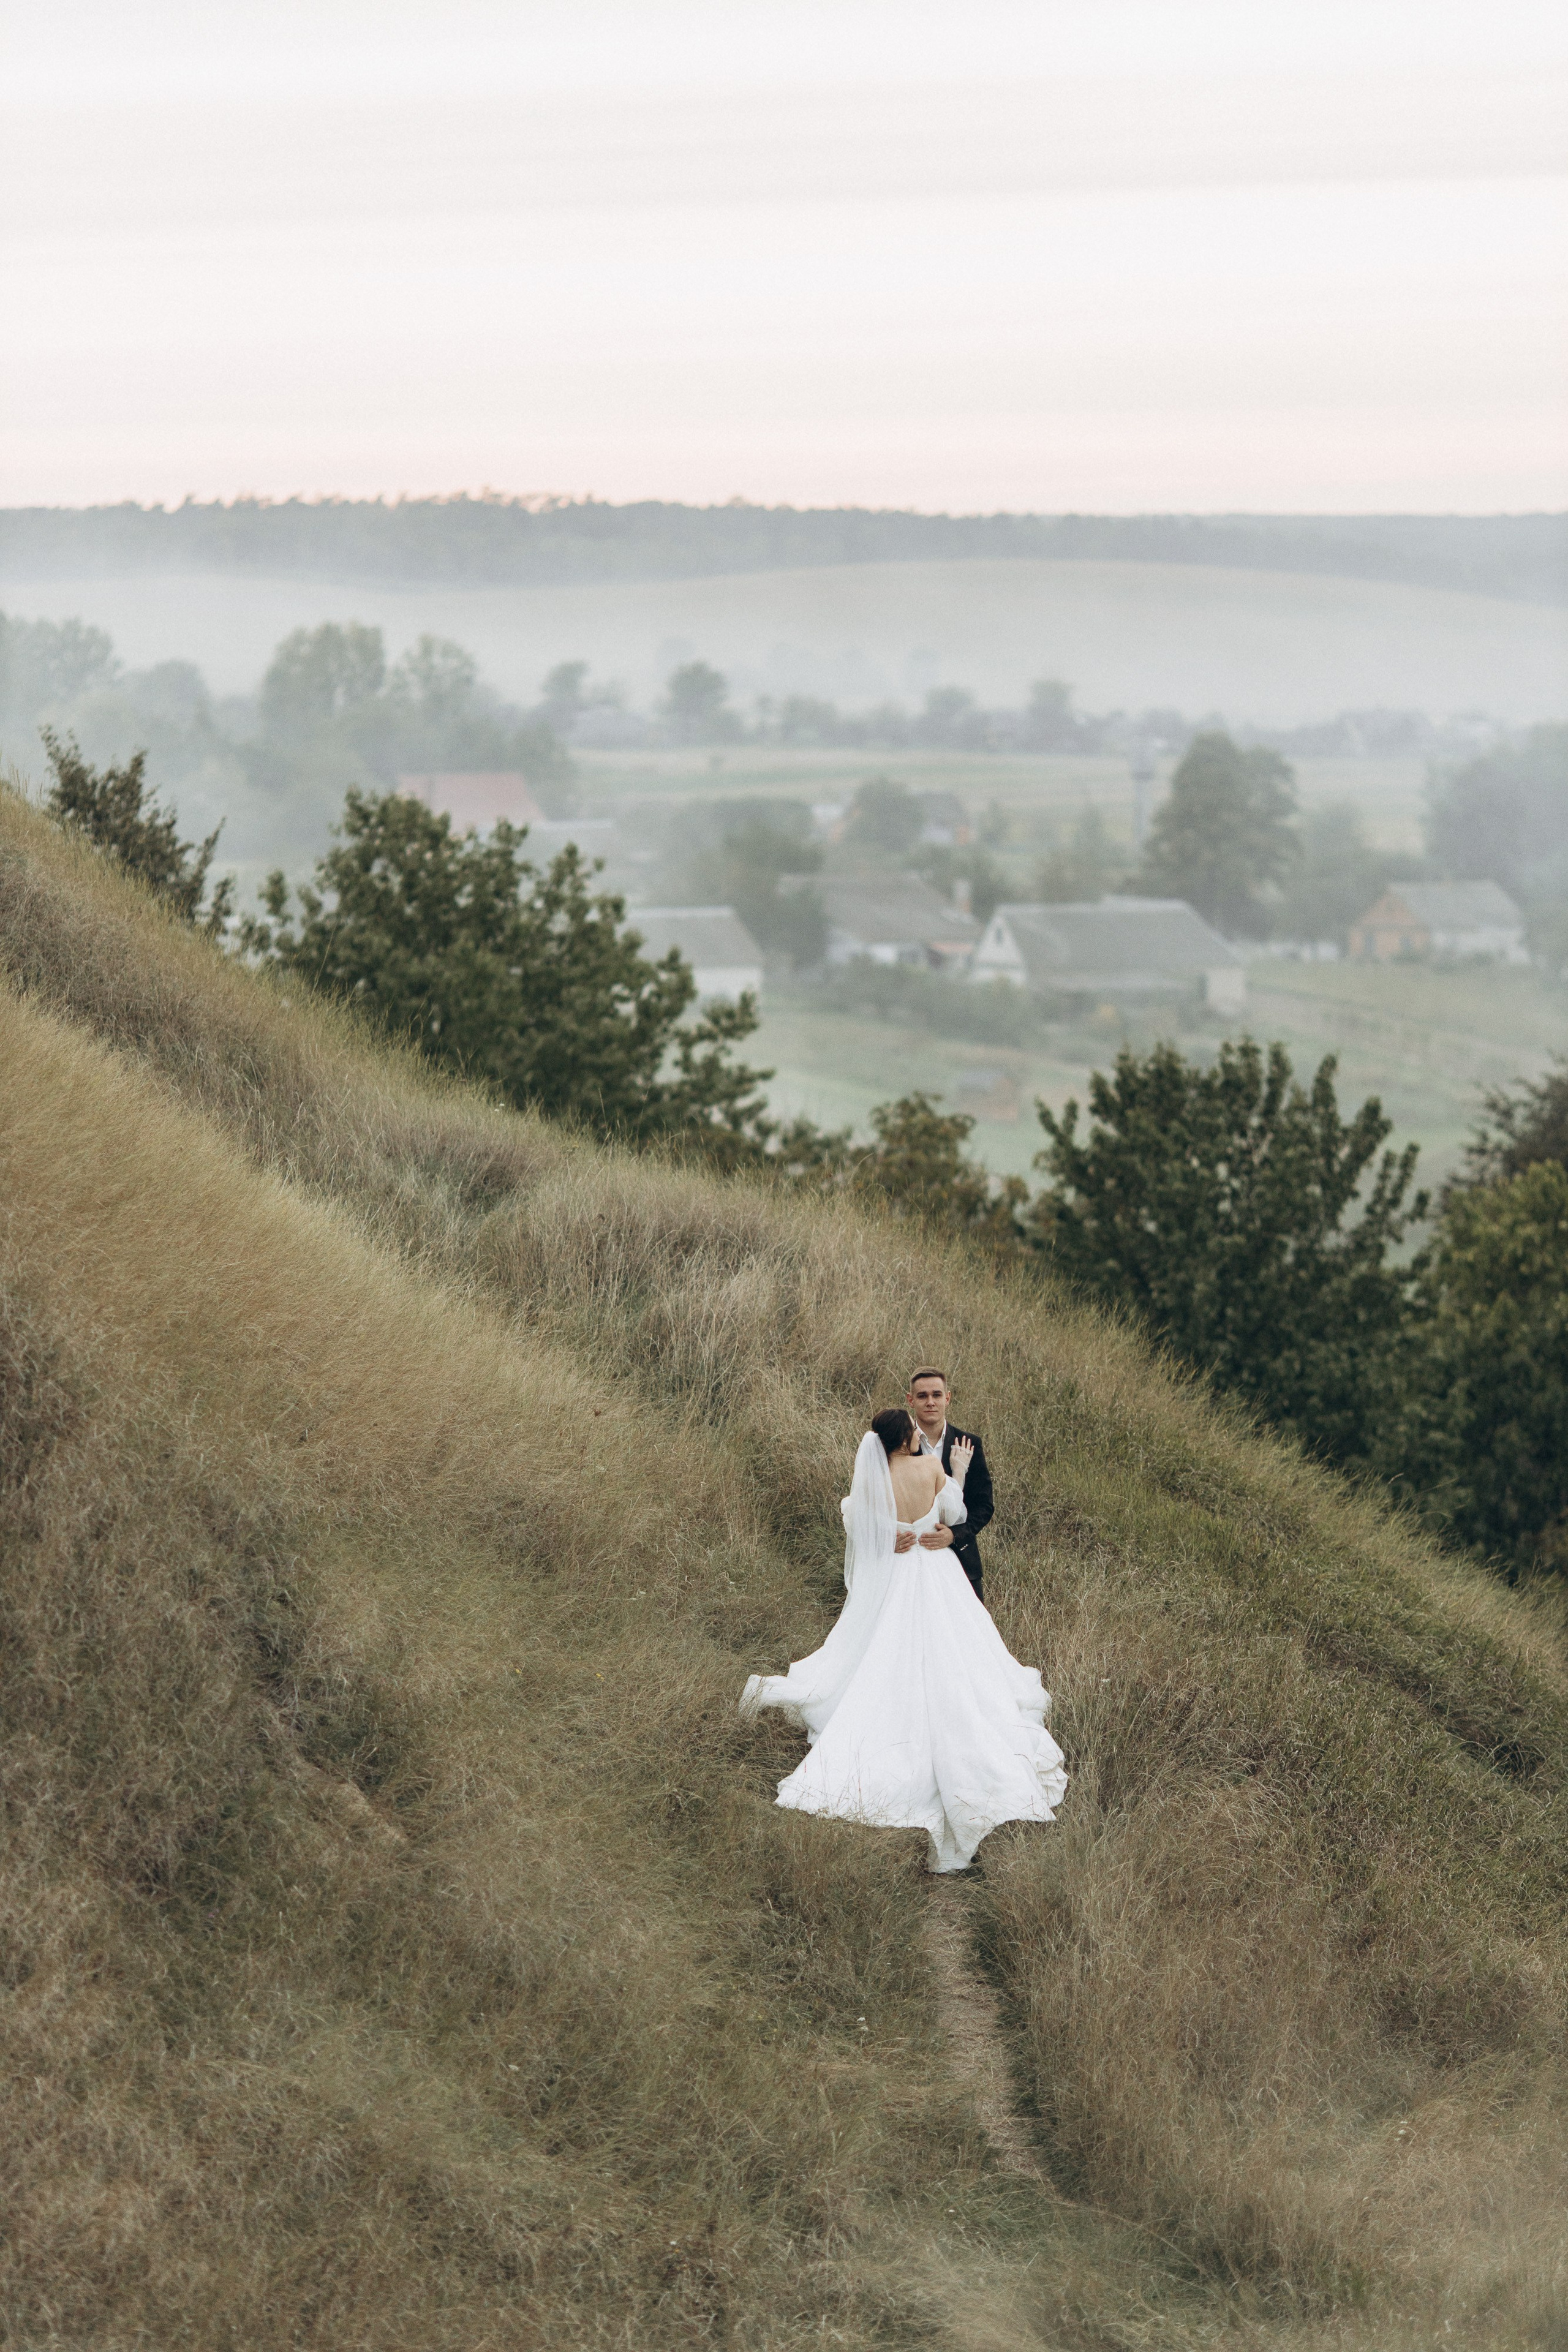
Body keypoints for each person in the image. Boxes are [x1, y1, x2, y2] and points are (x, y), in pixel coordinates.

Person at [740, 1406, 1068, 1874]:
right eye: (913, 1431)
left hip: (896, 1574)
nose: (920, 1434)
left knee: (880, 1648)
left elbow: (858, 1522)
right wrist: (953, 1472)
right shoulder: (931, 1467)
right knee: (956, 1651)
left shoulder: (875, 1479)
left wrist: (887, 1535)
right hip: (936, 1572)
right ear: (902, 1440)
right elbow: (953, 1511)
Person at [902, 1367, 992, 1602]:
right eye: (922, 1396)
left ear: (948, 1398)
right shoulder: (897, 1444)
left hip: (963, 1562)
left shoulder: (970, 1443)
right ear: (910, 1400)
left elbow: (983, 1505)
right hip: (910, 1563)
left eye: (937, 1395)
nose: (930, 1402)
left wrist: (954, 1535)